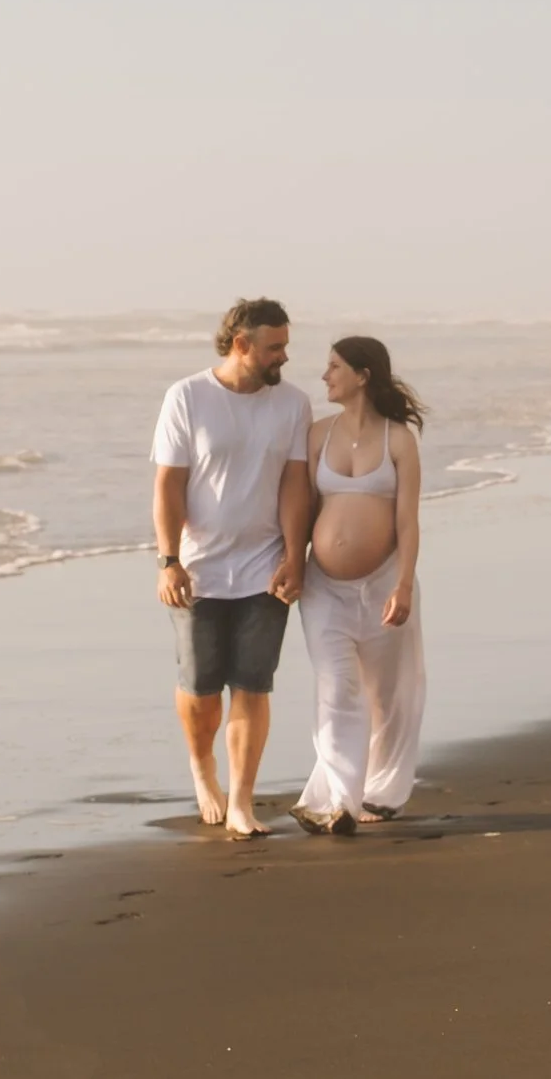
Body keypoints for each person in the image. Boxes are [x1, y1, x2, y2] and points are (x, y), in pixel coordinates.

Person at [152, 298, 314, 839]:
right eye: (274, 347)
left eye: (285, 345)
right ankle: (204, 770)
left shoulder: (292, 404)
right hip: (198, 568)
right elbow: (169, 485)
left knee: (252, 684)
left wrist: (294, 556)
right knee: (200, 689)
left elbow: (295, 485)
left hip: (264, 567)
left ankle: (242, 800)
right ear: (241, 344)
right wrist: (169, 561)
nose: (284, 356)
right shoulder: (187, 396)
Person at [291, 336, 427, 835]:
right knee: (336, 688)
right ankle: (338, 801)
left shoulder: (398, 440)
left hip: (385, 581)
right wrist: (291, 562)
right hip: (323, 588)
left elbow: (407, 522)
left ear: (362, 375)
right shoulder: (317, 435)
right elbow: (302, 509)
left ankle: (382, 792)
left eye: (334, 367)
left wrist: (404, 585)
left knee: (390, 693)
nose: (325, 376)